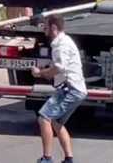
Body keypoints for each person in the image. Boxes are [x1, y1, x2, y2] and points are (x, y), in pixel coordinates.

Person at [31, 15, 87, 163]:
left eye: (46, 26)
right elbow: (60, 67)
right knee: (57, 123)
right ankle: (68, 158)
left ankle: (47, 158)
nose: (44, 29)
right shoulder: (65, 40)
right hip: (75, 89)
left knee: (44, 118)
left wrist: (40, 73)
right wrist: (47, 71)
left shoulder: (59, 44)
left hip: (70, 89)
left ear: (53, 28)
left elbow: (59, 67)